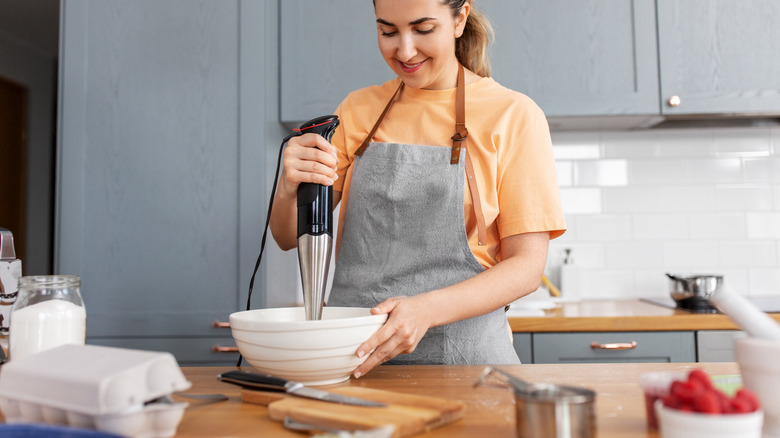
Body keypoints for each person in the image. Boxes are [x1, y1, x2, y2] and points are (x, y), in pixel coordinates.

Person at [269, 0, 565, 378]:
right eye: (388, 31)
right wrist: (287, 184)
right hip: (356, 361)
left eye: (423, 29)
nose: (404, 51)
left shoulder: (514, 115)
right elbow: (287, 236)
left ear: (460, 18)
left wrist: (425, 309)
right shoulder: (358, 109)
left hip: (467, 367)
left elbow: (526, 267)